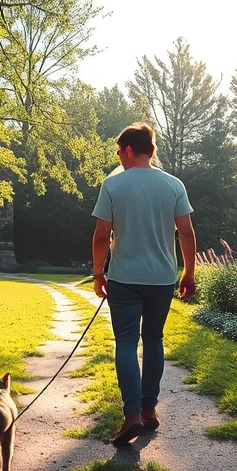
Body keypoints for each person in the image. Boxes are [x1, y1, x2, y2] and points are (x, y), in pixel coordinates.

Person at [90, 122, 196, 447]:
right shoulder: (174, 185)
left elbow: (100, 236)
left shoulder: (113, 185)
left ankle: (131, 414)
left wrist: (98, 274)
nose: (119, 158)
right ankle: (149, 409)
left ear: (128, 150)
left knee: (125, 342)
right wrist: (189, 272)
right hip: (162, 279)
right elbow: (187, 233)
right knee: (153, 340)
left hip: (123, 279)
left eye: (119, 152)